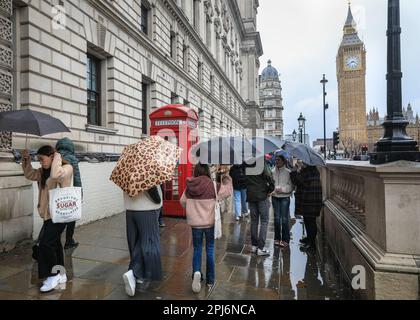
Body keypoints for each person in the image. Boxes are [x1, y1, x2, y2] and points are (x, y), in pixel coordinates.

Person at [22, 146, 73, 292]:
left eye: (42, 159)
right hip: (47, 215)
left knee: (45, 244)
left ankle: (53, 275)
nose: (40, 162)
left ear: (51, 157)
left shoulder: (66, 168)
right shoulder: (42, 172)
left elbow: (57, 175)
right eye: (38, 159)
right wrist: (26, 159)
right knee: (55, 244)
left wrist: (56, 157)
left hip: (60, 215)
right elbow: (29, 174)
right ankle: (61, 273)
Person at [180, 163, 232, 293]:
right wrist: (226, 177)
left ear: (196, 171)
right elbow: (228, 191)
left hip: (195, 225)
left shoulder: (190, 186)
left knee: (197, 249)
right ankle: (210, 280)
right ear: (208, 171)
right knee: (209, 249)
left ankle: (196, 272)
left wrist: (191, 210)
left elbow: (182, 201)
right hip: (210, 224)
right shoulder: (213, 185)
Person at [122, 184, 163, 297]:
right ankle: (134, 273)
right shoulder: (146, 168)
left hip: (130, 210)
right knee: (148, 241)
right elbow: (151, 189)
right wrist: (158, 200)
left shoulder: (127, 169)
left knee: (134, 242)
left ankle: (139, 275)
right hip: (146, 210)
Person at [245, 158, 275, 256]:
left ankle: (254, 246)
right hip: (262, 194)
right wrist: (271, 188)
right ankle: (261, 248)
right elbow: (269, 175)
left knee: (254, 221)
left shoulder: (246, 162)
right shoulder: (261, 160)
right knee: (264, 221)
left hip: (251, 194)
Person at [290, 162, 323, 250]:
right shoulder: (313, 170)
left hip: (309, 200)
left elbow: (297, 181)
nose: (302, 162)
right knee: (308, 220)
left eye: (304, 162)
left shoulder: (308, 171)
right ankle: (309, 239)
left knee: (310, 222)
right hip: (311, 200)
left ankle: (311, 244)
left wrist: (294, 171)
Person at [55, 138, 81, 249]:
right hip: (70, 193)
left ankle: (50, 241)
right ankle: (69, 241)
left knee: (55, 218)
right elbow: (77, 178)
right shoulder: (72, 159)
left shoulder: (55, 158)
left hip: (56, 192)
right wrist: (80, 194)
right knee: (71, 216)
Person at [271, 153, 294, 248]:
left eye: (278, 160)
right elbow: (270, 184)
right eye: (276, 160)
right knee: (276, 219)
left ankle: (285, 239)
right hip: (275, 197)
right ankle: (277, 238)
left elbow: (291, 186)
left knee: (284, 219)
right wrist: (273, 189)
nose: (277, 161)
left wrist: (283, 189)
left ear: (283, 161)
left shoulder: (288, 172)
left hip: (285, 197)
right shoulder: (272, 171)